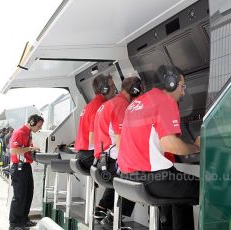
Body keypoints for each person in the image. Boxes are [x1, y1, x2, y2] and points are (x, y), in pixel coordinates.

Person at [117, 65, 200, 230]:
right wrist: (196, 147)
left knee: (182, 192)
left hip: (128, 177)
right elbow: (169, 145)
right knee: (205, 188)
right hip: (152, 180)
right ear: (170, 83)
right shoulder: (166, 101)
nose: (183, 92)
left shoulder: (136, 103)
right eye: (182, 86)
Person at [93, 76, 142, 227]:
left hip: (100, 162)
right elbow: (121, 139)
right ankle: (114, 217)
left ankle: (102, 209)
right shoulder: (121, 105)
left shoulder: (108, 104)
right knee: (136, 173)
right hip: (110, 163)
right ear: (135, 90)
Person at [74, 74, 116, 221]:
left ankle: (102, 209)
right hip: (88, 156)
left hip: (81, 155)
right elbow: (93, 138)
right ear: (104, 89)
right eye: (112, 86)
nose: (115, 89)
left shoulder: (90, 105)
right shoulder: (99, 106)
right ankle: (110, 213)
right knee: (123, 170)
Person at [9, 114, 44, 230]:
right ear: (32, 122)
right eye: (38, 126)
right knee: (19, 196)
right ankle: (14, 224)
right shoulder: (19, 132)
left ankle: (23, 220)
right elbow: (14, 150)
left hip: (26, 167)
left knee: (28, 194)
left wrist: (33, 150)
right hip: (19, 168)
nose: (38, 129)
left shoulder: (28, 134)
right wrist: (30, 149)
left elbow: (25, 148)